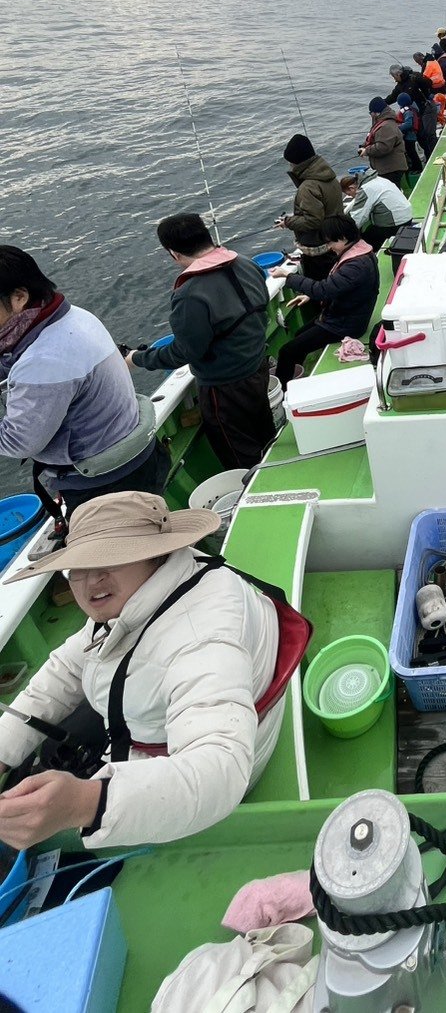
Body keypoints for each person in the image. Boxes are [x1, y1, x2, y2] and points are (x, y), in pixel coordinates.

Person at [0, 491, 284, 849]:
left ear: (155, 553)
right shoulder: (158, 583)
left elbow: (220, 770)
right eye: (77, 567)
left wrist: (85, 803)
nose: (90, 582)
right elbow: (69, 666)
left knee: (52, 765)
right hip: (162, 726)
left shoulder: (200, 641)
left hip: (206, 787)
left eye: (111, 558)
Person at [0, 248, 168, 517]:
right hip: (144, 456)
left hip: (106, 486)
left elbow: (19, 443)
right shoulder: (71, 315)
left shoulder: (42, 362)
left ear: (19, 297)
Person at [128, 215, 276, 470]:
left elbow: (185, 352)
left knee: (239, 455)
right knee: (265, 431)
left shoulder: (189, 294)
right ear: (207, 236)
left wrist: (137, 358)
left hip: (225, 389)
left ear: (173, 253)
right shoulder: (247, 263)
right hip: (257, 368)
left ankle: (257, 486)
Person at [274, 214, 379, 387]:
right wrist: (309, 295)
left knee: (286, 351)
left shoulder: (355, 265)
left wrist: (288, 275)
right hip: (345, 315)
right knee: (299, 335)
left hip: (345, 325)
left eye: (330, 242)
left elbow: (323, 290)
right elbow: (339, 287)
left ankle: (285, 391)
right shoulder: (361, 251)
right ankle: (296, 377)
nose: (329, 247)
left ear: (343, 238)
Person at [276, 135, 342, 279]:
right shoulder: (329, 176)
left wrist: (288, 222)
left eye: (290, 162)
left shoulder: (308, 187)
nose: (290, 166)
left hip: (319, 250)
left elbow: (313, 220)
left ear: (297, 162)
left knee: (320, 286)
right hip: (335, 239)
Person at [346, 176, 415, 252]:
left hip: (394, 224)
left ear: (351, 188)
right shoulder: (379, 179)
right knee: (370, 230)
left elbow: (358, 218)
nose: (350, 196)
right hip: (406, 216)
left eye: (349, 194)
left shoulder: (365, 189)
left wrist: (345, 234)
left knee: (362, 242)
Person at [359, 99, 408, 188]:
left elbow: (383, 147)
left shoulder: (386, 126)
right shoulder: (382, 123)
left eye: (371, 113)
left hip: (391, 169)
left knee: (392, 192)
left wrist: (366, 151)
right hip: (387, 168)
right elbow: (374, 138)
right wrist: (363, 146)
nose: (371, 115)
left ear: (376, 113)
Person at [393, 93, 424, 173]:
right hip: (409, 135)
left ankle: (418, 168)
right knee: (410, 152)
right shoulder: (410, 109)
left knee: (412, 152)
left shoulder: (408, 112)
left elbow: (409, 124)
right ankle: (414, 167)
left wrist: (397, 128)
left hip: (410, 136)